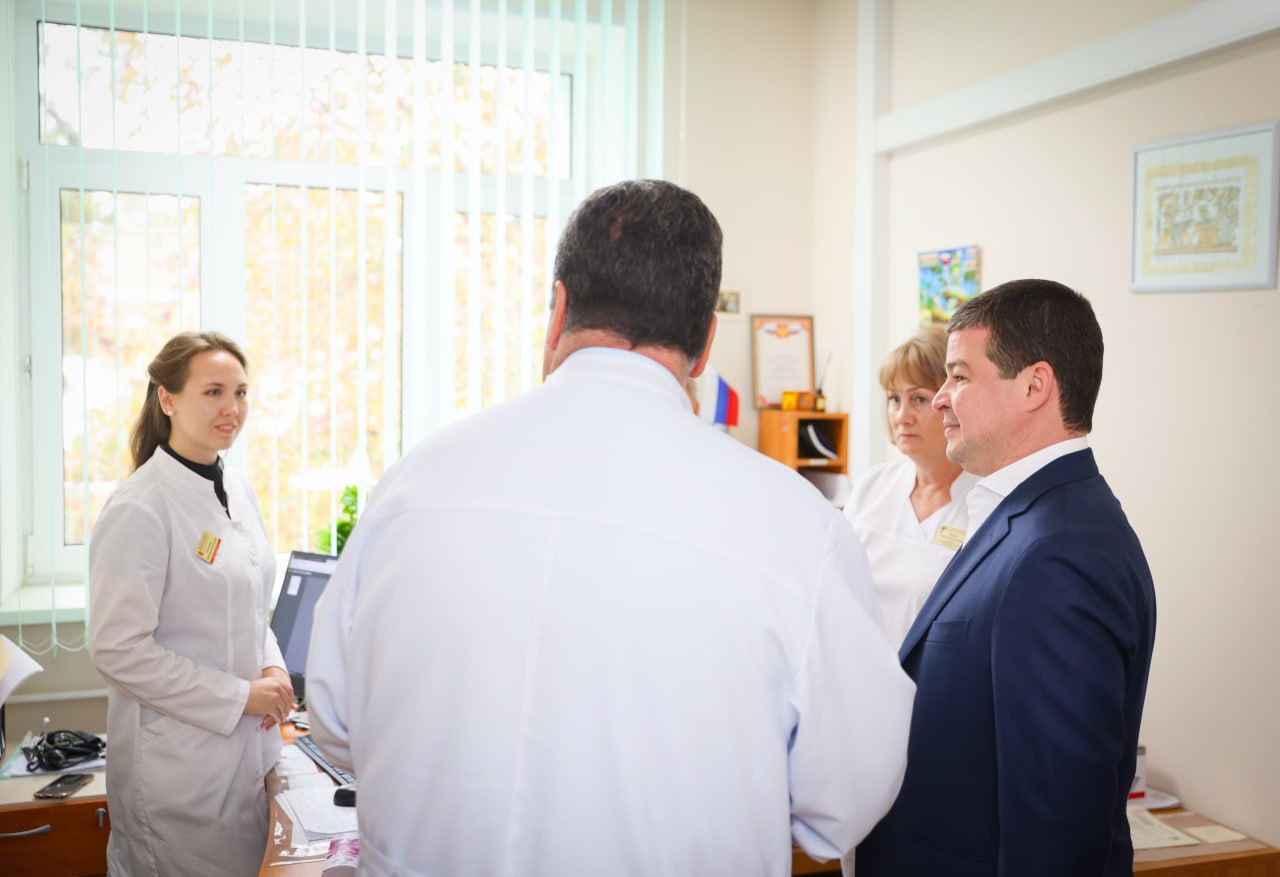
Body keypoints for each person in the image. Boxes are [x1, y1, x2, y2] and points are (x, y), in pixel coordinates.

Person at [306, 180, 915, 876]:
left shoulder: (414, 483)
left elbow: (334, 719)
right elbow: (842, 802)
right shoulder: (799, 527)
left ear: (558, 309)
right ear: (706, 341)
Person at [855, 279, 1157, 877]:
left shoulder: (1060, 553)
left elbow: (1058, 824)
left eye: (959, 377)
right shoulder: (1024, 516)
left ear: (1034, 386)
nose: (941, 399)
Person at [88, 332, 294, 877]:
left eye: (240, 392)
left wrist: (272, 667)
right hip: (176, 776)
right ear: (168, 399)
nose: (232, 408)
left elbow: (250, 603)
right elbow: (117, 650)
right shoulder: (141, 507)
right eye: (213, 392)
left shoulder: (237, 490)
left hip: (243, 760)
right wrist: (241, 696)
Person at [843, 326, 978, 645]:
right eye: (894, 399)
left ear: (952, 402)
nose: (902, 416)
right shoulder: (873, 485)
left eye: (919, 399)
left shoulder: (985, 500)